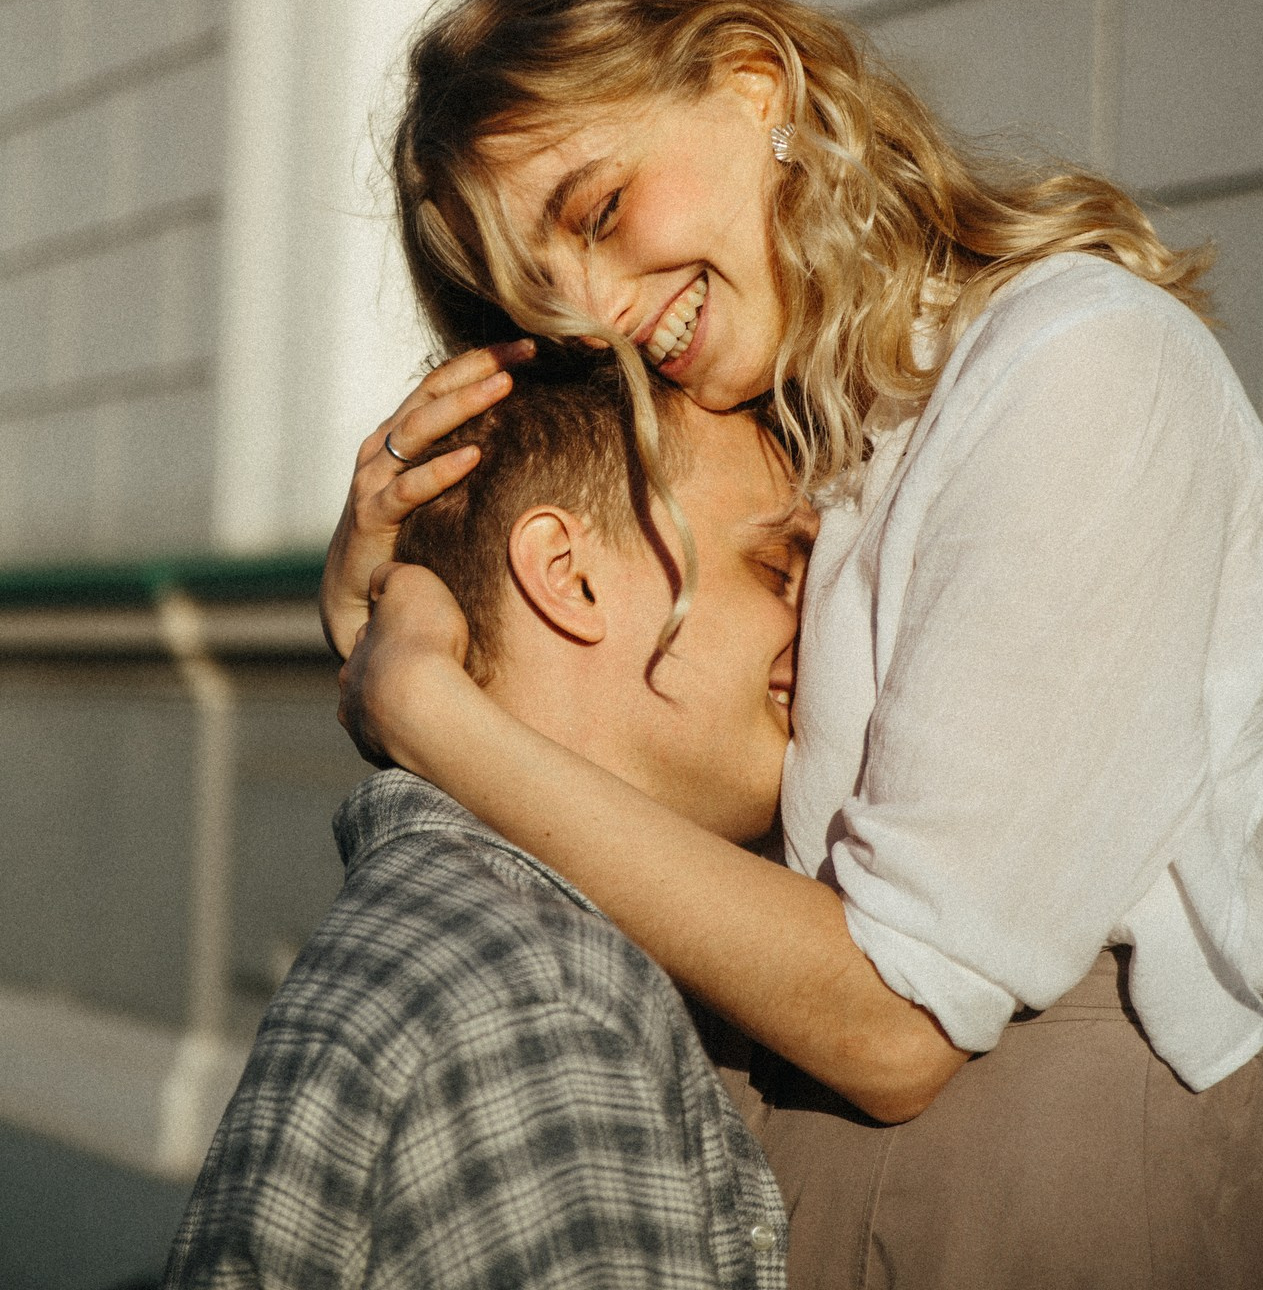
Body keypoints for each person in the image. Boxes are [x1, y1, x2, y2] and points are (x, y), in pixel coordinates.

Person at [326, 0, 1263, 1287]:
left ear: (754, 83)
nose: (597, 313)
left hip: (1037, 1189)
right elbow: (615, 785)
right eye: (540, 300)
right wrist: (390, 609)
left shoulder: (1076, 366)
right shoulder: (795, 443)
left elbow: (899, 1026)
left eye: (596, 213)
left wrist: (425, 704)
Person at [165, 353, 807, 1290]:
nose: (822, 624)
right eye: (776, 570)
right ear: (569, 577)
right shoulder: (551, 1000)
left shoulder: (455, 930)